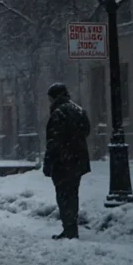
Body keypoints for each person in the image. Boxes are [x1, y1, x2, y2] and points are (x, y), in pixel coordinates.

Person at [43, 83, 91, 240]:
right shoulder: (78, 110)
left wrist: (48, 162)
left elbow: (53, 141)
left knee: (63, 195)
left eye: (50, 99)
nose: (49, 102)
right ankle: (72, 227)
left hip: (63, 161)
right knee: (73, 193)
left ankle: (69, 228)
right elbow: (87, 130)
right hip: (78, 160)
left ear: (55, 97)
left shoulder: (59, 113)